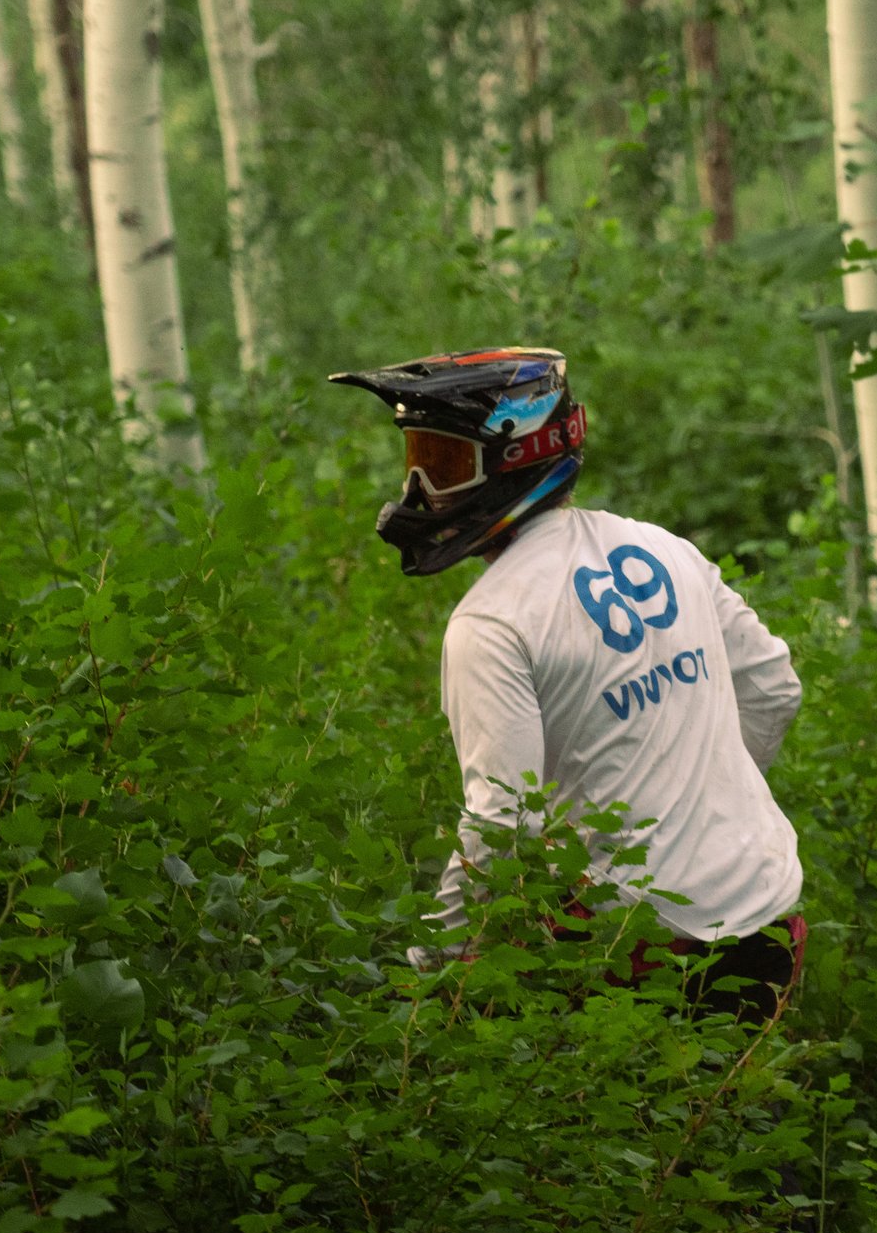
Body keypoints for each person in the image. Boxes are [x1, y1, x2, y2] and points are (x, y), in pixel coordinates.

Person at [331, 347, 807, 1022]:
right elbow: (776, 688)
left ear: (509, 458)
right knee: (739, 1120)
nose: (418, 489)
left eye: (441, 464)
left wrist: (428, 971)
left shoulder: (491, 621)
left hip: (632, 951)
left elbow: (503, 816)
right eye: (416, 461)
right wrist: (703, 806)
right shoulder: (667, 548)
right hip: (765, 914)